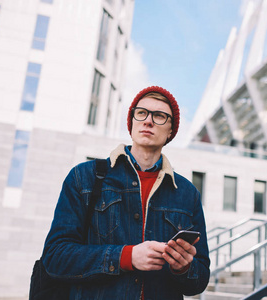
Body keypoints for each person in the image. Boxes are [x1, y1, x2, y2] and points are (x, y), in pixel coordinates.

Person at [41, 86, 210, 299]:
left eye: (159, 116)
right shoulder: (84, 177)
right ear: (131, 123)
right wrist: (126, 257)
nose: (148, 121)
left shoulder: (188, 194)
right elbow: (55, 256)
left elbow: (200, 279)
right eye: (141, 113)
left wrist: (183, 268)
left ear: (170, 131)